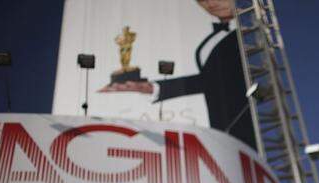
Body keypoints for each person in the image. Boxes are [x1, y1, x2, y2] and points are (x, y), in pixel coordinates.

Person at [100, 0, 256, 150]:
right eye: (203, 0)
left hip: (243, 128)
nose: (212, 4)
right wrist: (153, 88)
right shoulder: (214, 36)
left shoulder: (249, 36)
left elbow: (212, 81)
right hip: (219, 129)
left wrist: (158, 88)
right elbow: (210, 81)